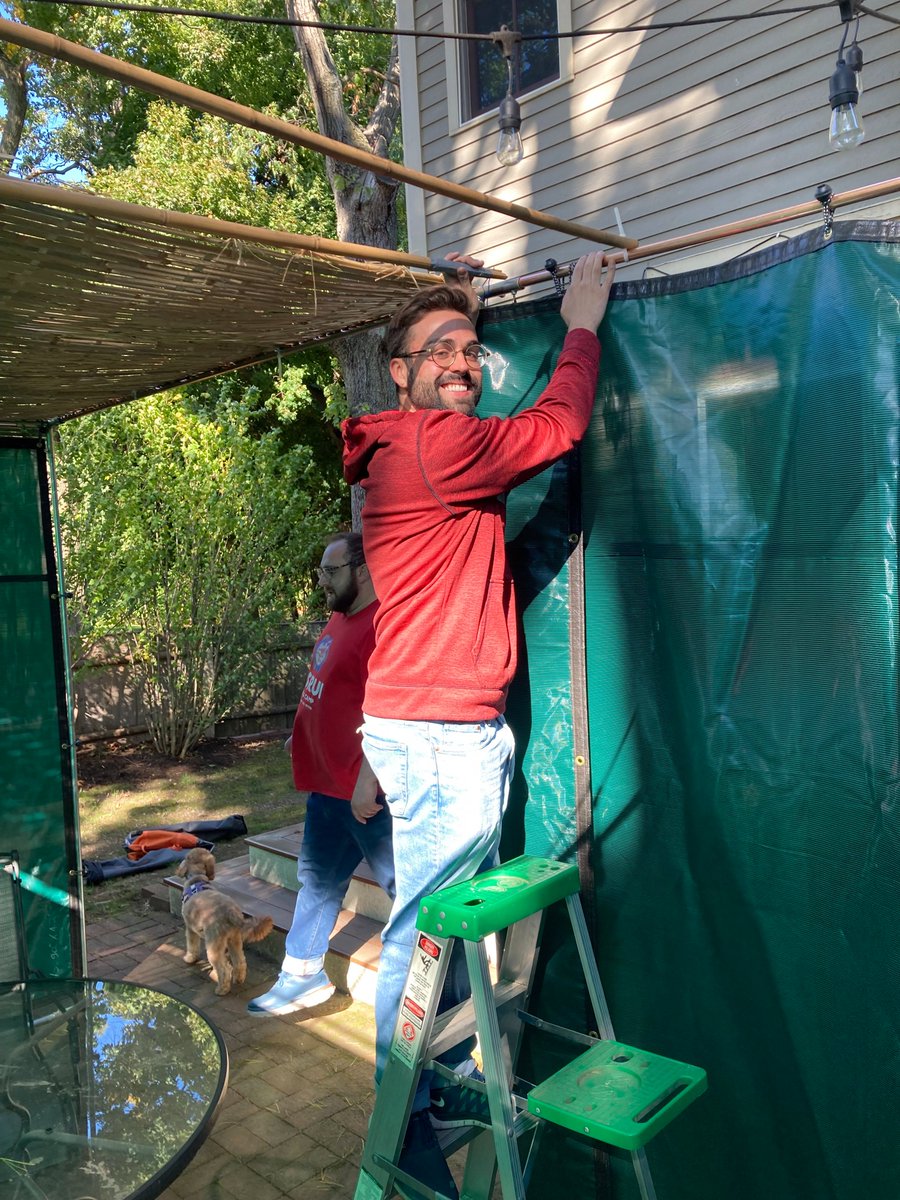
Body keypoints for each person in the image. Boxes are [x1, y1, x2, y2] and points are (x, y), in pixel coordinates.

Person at [341, 252, 617, 1197]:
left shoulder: (419, 451)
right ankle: (404, 1132)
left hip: (432, 727)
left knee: (446, 927)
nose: (462, 359)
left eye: (472, 347)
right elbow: (559, 423)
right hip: (439, 735)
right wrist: (579, 322)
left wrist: (468, 301)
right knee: (427, 933)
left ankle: (434, 1090)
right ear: (400, 371)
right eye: (439, 348)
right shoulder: (432, 446)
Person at [247, 531, 392, 1016]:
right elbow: (325, 686)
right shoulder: (340, 616)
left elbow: (387, 710)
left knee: (408, 894)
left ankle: (429, 1001)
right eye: (321, 572)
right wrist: (301, 734)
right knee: (317, 882)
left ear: (363, 570)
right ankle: (301, 977)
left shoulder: (382, 626)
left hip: (364, 795)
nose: (322, 582)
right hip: (327, 788)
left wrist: (368, 781)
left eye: (331, 572)